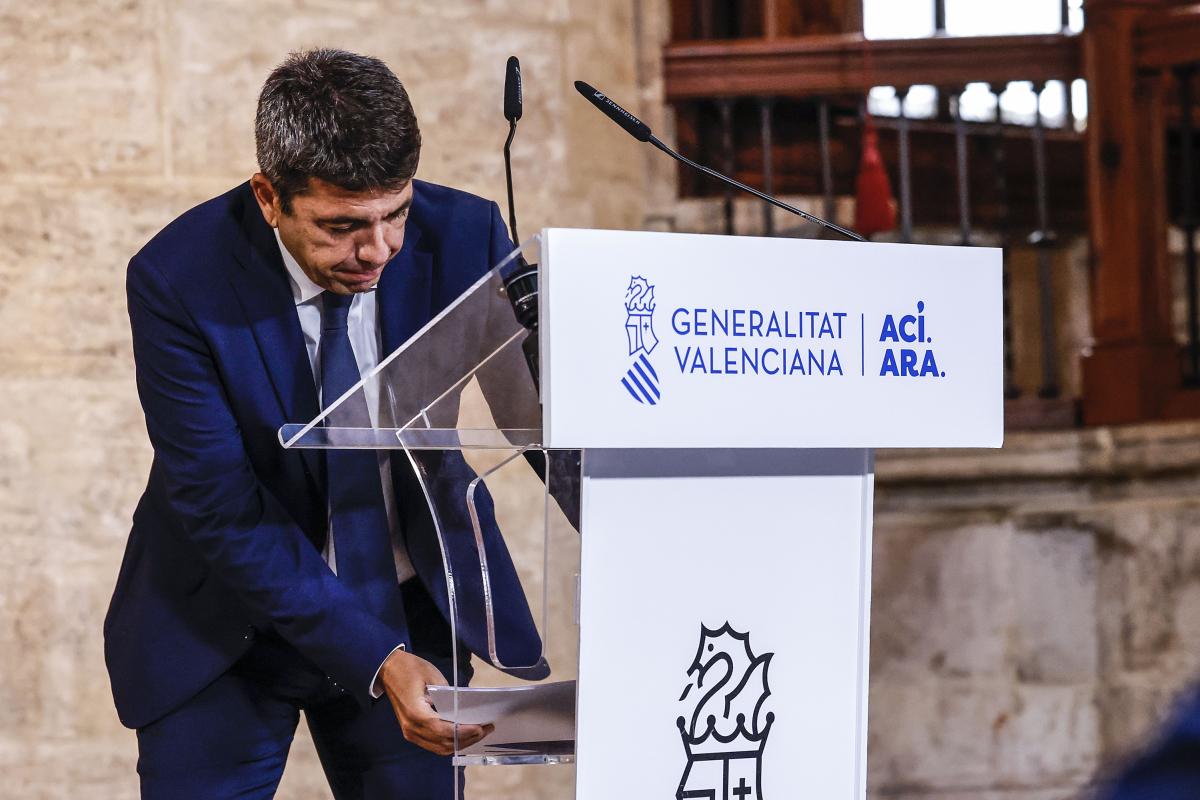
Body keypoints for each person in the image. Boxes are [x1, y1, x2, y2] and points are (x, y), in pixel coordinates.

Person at [103, 48, 544, 799]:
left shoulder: (467, 234)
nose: (378, 250)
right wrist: (376, 659)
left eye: (395, 213)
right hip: (225, 622)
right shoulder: (177, 277)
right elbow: (219, 506)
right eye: (341, 226)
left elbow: (541, 420)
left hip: (409, 605)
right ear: (268, 196)